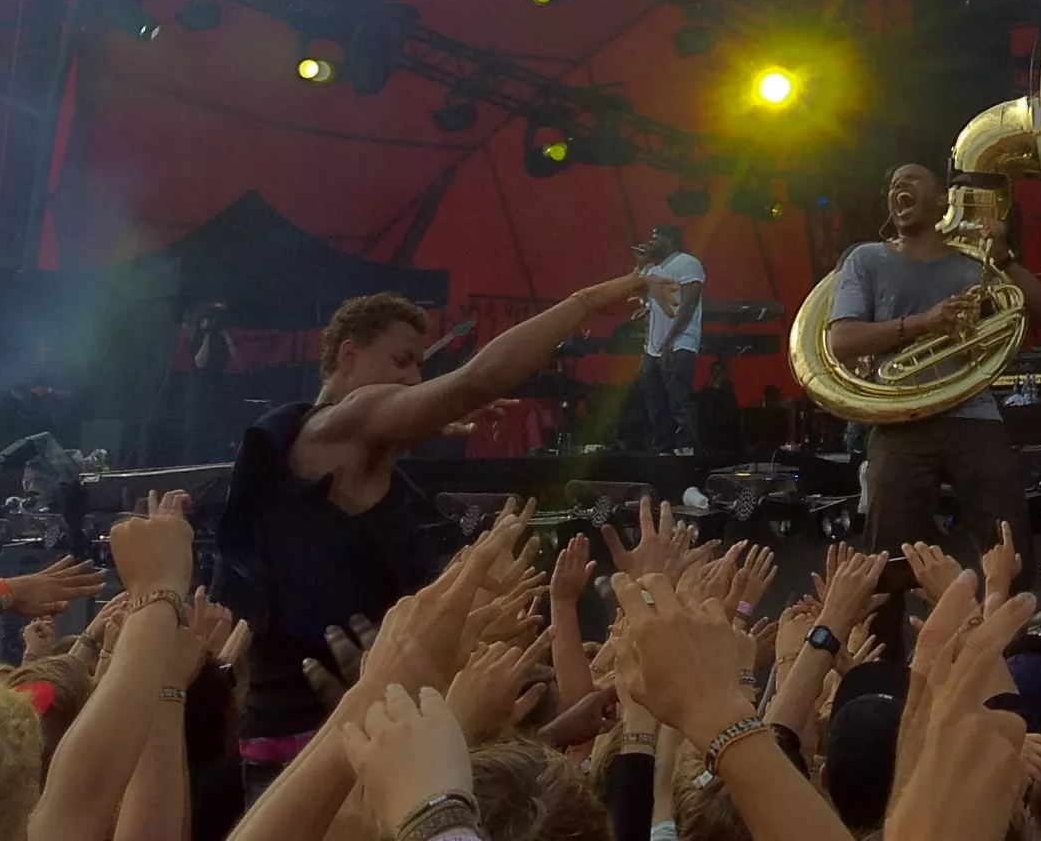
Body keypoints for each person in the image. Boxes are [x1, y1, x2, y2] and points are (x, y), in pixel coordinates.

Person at [215, 274, 639, 775]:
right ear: (348, 358)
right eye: (401, 361)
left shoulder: (312, 441)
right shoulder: (346, 419)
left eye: (421, 366)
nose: (416, 379)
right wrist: (582, 302)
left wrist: (431, 418)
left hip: (308, 738)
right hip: (326, 744)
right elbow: (474, 380)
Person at [821, 161, 1041, 565]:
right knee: (885, 556)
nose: (898, 186)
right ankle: (882, 630)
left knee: (1008, 544)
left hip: (973, 414)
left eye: (911, 179)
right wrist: (928, 322)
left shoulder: (974, 263)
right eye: (893, 183)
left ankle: (1017, 621)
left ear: (942, 200)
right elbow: (841, 340)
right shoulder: (867, 259)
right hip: (899, 418)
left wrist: (1004, 259)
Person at [633, 222, 708, 458]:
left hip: (680, 342)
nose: (652, 242)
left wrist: (670, 339)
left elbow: (689, 303)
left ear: (671, 241)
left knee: (679, 399)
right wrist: (641, 264)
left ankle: (687, 450)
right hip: (653, 347)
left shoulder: (688, 263)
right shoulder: (652, 271)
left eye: (657, 238)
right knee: (654, 400)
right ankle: (663, 449)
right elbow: (629, 288)